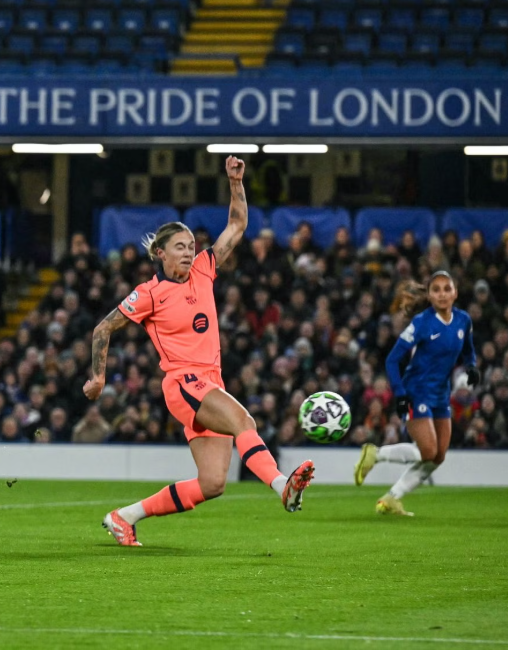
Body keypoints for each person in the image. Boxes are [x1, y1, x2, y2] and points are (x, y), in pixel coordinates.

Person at [83, 157, 314, 547]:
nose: (190, 252)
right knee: (244, 421)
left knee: (212, 483)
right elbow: (103, 327)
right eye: (180, 247)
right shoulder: (149, 293)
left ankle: (124, 517)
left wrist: (235, 183)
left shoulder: (205, 268)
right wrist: (99, 377)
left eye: (191, 245)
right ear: (160, 253)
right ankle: (282, 486)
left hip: (209, 382)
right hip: (184, 382)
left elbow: (237, 225)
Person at [354, 271, 478, 516]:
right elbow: (392, 360)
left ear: (455, 293)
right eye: (436, 290)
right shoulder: (422, 322)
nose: (442, 294)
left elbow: (468, 349)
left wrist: (471, 366)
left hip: (440, 393)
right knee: (428, 451)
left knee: (438, 456)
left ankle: (391, 498)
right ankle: (375, 453)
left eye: (447, 289)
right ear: (429, 295)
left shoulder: (463, 320)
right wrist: (400, 394)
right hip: (416, 390)